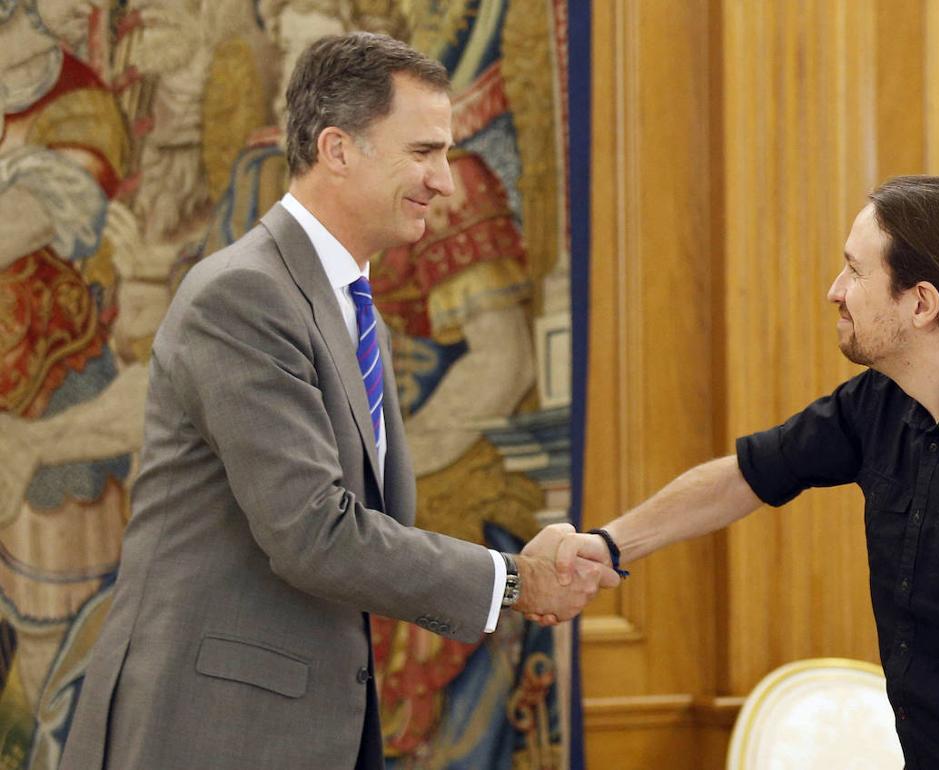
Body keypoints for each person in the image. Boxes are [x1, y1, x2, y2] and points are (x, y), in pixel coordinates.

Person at [59, 31, 613, 770]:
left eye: (444, 154)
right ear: (337, 149)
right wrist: (512, 578)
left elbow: (371, 527)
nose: (444, 181)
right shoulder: (245, 294)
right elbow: (313, 534)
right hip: (207, 733)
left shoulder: (352, 305)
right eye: (423, 153)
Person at [543, 176, 939, 769]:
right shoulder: (881, 402)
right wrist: (608, 542)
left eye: (854, 269)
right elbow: (748, 475)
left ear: (921, 302)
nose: (834, 290)